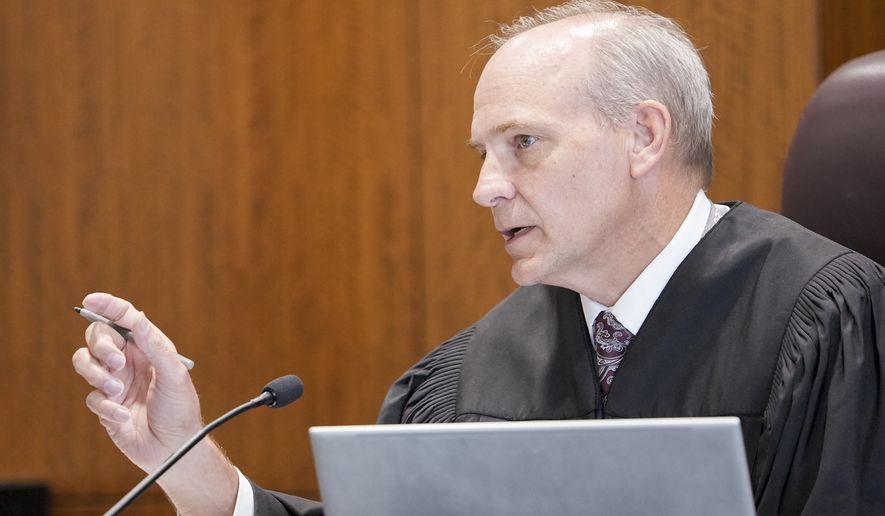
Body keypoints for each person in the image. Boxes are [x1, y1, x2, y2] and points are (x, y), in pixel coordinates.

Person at [72, 1, 885, 515]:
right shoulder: (472, 372)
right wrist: (183, 460)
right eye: (481, 152)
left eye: (521, 144)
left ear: (643, 136)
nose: (484, 188)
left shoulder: (824, 319)